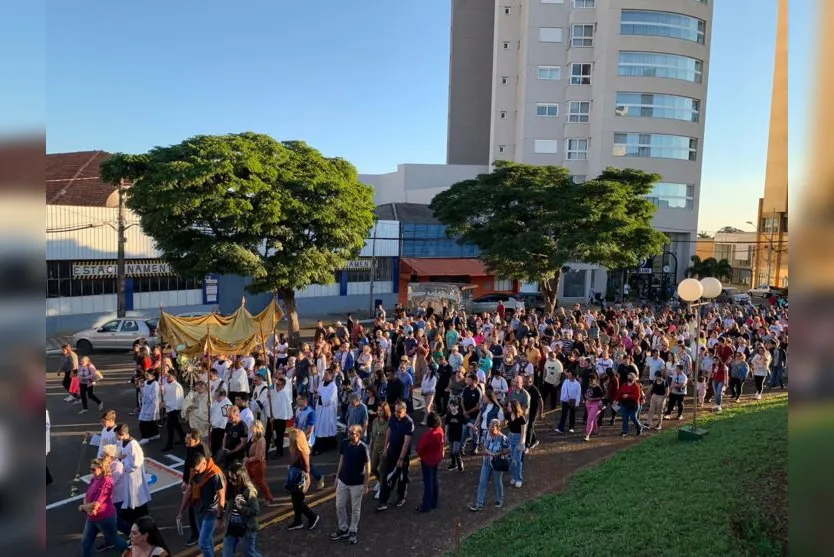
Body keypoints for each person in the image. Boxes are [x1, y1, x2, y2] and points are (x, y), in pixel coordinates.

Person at [79, 458, 129, 557]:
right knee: (85, 544)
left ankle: (132, 552)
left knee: (115, 539)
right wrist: (86, 506)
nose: (91, 471)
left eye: (94, 469)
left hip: (105, 518)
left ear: (101, 469)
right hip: (92, 518)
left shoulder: (107, 482)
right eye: (91, 469)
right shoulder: (94, 479)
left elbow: (96, 504)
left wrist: (82, 507)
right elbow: (87, 495)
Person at [178, 453, 226, 557]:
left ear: (204, 462)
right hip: (198, 510)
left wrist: (219, 517)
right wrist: (181, 512)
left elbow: (221, 496)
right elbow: (188, 492)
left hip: (211, 512)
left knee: (203, 543)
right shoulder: (194, 471)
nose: (195, 472)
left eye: (197, 470)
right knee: (207, 540)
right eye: (194, 470)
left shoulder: (215, 474)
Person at [330, 424, 370, 544]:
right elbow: (342, 459)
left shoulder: (363, 448)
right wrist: (337, 477)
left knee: (355, 509)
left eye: (352, 433)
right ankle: (343, 529)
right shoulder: (344, 443)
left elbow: (368, 466)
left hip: (357, 484)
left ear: (358, 434)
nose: (349, 434)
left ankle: (353, 531)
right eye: (349, 432)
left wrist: (366, 484)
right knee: (339, 506)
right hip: (343, 481)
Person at [376, 401, 414, 512]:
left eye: (399, 412)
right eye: (396, 411)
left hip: (402, 456)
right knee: (388, 477)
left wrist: (401, 459)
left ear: (405, 411)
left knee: (402, 478)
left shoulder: (409, 423)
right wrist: (385, 447)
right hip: (392, 453)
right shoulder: (393, 417)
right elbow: (389, 431)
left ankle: (401, 497)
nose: (397, 413)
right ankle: (383, 501)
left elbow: (406, 443)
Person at [222, 461, 262, 557]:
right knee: (226, 554)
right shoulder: (232, 487)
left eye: (233, 479)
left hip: (246, 528)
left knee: (249, 554)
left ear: (241, 478)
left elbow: (255, 511)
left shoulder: (250, 491)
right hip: (232, 526)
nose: (231, 481)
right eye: (229, 478)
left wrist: (241, 508)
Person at [469, 418, 510, 511]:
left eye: (492, 427)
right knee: (482, 482)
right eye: (490, 426)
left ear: (498, 428)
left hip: (497, 463)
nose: (490, 429)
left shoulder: (503, 438)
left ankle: (500, 500)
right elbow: (483, 445)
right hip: (487, 462)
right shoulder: (486, 433)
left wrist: (497, 454)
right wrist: (487, 451)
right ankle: (479, 504)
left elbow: (508, 449)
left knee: (497, 482)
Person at [114, 424, 151, 526]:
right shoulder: (123, 441)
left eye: (118, 435)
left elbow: (137, 462)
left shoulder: (133, 444)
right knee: (130, 496)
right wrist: (120, 458)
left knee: (137, 497)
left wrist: (123, 465)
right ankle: (132, 515)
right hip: (127, 475)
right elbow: (122, 454)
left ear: (123, 434)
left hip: (134, 476)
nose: (117, 438)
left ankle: (141, 517)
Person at [285, 429, 320, 531]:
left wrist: (295, 469)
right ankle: (298, 521)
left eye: (290, 438)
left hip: (300, 479)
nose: (289, 439)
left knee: (298, 502)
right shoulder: (295, 449)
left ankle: (312, 517)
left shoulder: (302, 451)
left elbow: (307, 468)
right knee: (295, 500)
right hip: (294, 478)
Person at [182, 429, 210, 547]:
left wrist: (190, 483)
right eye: (186, 438)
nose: (186, 441)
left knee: (194, 508)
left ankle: (198, 534)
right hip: (192, 481)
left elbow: (200, 470)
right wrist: (185, 480)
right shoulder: (191, 446)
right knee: (193, 508)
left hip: (199, 483)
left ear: (197, 440)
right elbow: (188, 463)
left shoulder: (202, 451)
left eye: (189, 439)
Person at [415, 412, 444, 512]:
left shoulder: (428, 435)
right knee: (434, 481)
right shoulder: (440, 431)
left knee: (428, 483)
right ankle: (434, 502)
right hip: (436, 458)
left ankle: (426, 505)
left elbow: (419, 449)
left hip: (427, 460)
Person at [294, 394, 325, 488]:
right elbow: (296, 423)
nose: (297, 400)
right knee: (299, 462)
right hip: (299, 440)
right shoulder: (298, 410)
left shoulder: (311, 413)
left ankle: (319, 478)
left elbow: (310, 430)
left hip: (307, 442)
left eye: (299, 399)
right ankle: (302, 481)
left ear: (304, 400)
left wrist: (303, 442)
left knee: (306, 463)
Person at [262, 374, 292, 459]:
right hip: (271, 417)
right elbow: (268, 403)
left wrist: (275, 417)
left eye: (279, 385)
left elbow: (283, 409)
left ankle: (279, 452)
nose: (277, 386)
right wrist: (267, 397)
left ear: (283, 386)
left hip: (280, 419)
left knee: (279, 436)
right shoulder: (272, 392)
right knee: (267, 435)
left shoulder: (284, 394)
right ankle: (265, 452)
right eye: (276, 384)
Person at [245, 421, 275, 507]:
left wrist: (248, 459)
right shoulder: (253, 437)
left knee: (260, 482)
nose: (250, 428)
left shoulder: (261, 440)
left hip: (258, 465)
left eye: (252, 427)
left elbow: (258, 456)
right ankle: (252, 498)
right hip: (251, 464)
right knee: (249, 482)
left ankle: (268, 498)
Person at [369, 402, 391, 497]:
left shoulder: (389, 422)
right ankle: (379, 481)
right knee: (373, 468)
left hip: (384, 449)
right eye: (378, 410)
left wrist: (386, 449)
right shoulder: (375, 421)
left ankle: (382, 488)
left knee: (382, 470)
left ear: (385, 411)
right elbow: (372, 436)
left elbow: (389, 437)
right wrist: (370, 447)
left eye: (381, 410)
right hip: (375, 447)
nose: (379, 412)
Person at [161, 370, 186, 451]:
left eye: (169, 376)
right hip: (169, 408)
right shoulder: (166, 384)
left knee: (170, 427)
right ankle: (183, 437)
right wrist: (162, 390)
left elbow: (177, 401)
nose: (167, 377)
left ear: (174, 377)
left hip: (174, 409)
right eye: (167, 376)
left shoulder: (177, 387)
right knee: (176, 424)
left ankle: (169, 444)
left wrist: (166, 404)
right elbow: (164, 394)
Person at [315, 370, 339, 452]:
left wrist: (320, 397)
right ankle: (319, 443)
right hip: (320, 408)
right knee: (320, 426)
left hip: (328, 410)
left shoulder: (333, 386)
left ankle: (330, 444)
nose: (324, 375)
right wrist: (316, 395)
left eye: (326, 374)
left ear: (331, 376)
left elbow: (330, 399)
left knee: (327, 427)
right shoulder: (321, 384)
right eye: (324, 374)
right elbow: (318, 392)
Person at [505, 401, 527, 487]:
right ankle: (513, 477)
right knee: (511, 459)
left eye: (509, 406)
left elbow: (523, 433)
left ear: (514, 407)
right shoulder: (509, 415)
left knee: (517, 460)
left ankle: (519, 479)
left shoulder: (521, 418)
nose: (508, 407)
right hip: (510, 437)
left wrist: (520, 444)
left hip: (518, 439)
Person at [616, 372, 643, 437]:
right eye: (628, 377)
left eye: (631, 377)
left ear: (634, 378)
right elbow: (619, 393)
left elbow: (637, 396)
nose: (629, 378)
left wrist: (628, 396)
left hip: (633, 404)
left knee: (633, 416)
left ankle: (639, 427)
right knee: (625, 417)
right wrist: (616, 400)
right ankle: (624, 431)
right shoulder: (624, 385)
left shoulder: (636, 386)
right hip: (625, 403)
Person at [138, 370, 162, 445]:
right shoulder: (145, 382)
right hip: (145, 404)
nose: (146, 376)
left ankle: (145, 437)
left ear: (153, 376)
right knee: (150, 422)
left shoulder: (155, 384)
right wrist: (141, 388)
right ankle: (155, 434)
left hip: (152, 406)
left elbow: (154, 397)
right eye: (146, 375)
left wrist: (144, 392)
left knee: (144, 422)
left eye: (148, 375)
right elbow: (142, 392)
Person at [555, 370, 581, 434]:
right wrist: (561, 399)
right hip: (565, 401)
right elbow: (563, 390)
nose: (568, 375)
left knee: (572, 415)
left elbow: (578, 395)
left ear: (573, 376)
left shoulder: (577, 384)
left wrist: (577, 404)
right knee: (564, 415)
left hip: (573, 402)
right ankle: (561, 428)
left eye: (569, 374)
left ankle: (571, 427)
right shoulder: (566, 381)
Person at [210, 389, 233, 457]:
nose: (215, 398)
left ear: (222, 396)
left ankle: (217, 458)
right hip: (215, 427)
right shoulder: (217, 401)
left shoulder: (227, 404)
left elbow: (222, 418)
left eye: (217, 396)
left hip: (221, 428)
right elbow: (213, 410)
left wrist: (213, 423)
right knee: (213, 444)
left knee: (218, 445)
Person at [444, 400, 465, 472]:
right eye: (451, 406)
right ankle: (453, 464)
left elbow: (466, 422)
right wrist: (446, 435)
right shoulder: (448, 415)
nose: (452, 407)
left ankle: (460, 464)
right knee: (451, 452)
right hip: (451, 436)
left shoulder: (460, 415)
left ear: (457, 406)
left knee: (455, 451)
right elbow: (446, 425)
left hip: (458, 436)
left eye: (453, 406)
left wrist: (473, 427)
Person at [583, 374, 604, 442]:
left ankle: (587, 435)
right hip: (588, 403)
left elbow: (601, 397)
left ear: (595, 379)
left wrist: (593, 399)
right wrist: (586, 397)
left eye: (592, 380)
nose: (590, 381)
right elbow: (585, 393)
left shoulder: (598, 387)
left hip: (595, 405)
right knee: (592, 418)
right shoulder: (588, 385)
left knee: (589, 419)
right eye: (589, 380)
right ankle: (595, 430)